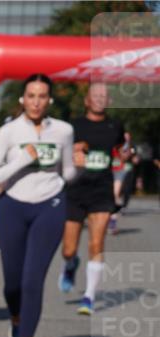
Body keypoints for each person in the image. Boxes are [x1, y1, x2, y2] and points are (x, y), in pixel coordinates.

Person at [0, 73, 75, 337]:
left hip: (50, 205)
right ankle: (17, 318)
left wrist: (65, 177)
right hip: (12, 207)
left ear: (49, 100)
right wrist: (21, 161)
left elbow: (69, 171)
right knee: (13, 284)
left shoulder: (63, 131)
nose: (36, 102)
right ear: (23, 99)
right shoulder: (9, 131)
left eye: (42, 96)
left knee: (33, 281)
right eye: (30, 96)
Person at [59, 83, 125, 315]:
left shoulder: (115, 125)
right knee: (68, 249)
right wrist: (75, 149)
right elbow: (63, 154)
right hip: (75, 190)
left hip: (101, 190)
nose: (99, 98)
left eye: (104, 95)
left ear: (109, 101)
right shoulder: (73, 126)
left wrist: (125, 155)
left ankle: (88, 297)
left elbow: (119, 150)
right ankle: (70, 264)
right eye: (95, 95)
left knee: (96, 244)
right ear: (86, 100)